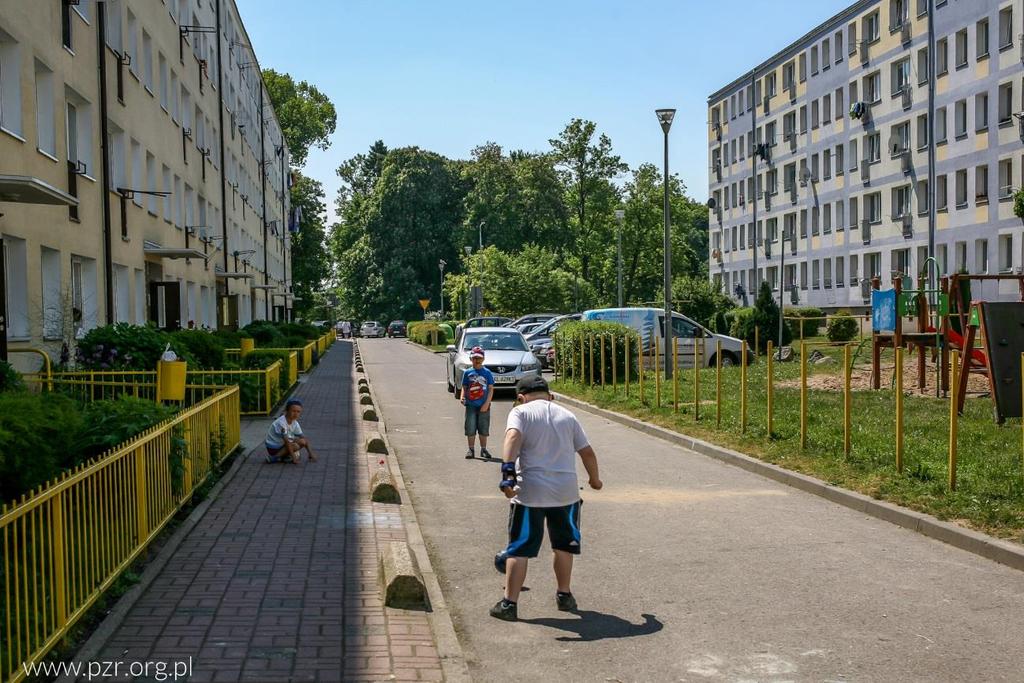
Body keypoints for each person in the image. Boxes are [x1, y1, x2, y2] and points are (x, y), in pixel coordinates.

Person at [490, 375, 602, 622]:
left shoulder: (521, 413)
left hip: (530, 492)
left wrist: (508, 475)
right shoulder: (567, 415)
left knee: (520, 548)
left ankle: (509, 604)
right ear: (550, 395)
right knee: (563, 545)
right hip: (566, 492)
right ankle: (564, 595)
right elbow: (587, 451)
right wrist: (595, 480)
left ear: (521, 397)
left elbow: (512, 437)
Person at [461, 346, 495, 459]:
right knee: (470, 427)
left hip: (484, 405)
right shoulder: (468, 372)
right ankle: (471, 449)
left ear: (483, 359)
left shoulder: (487, 373)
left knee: (483, 427)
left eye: (479, 358)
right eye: (475, 358)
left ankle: (483, 449)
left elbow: (490, 389)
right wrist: (462, 397)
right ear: (471, 359)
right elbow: (464, 387)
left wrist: (487, 403)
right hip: (471, 404)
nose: (477, 360)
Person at [265, 399, 318, 463]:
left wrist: (310, 453)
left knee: (303, 441)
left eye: (298, 412)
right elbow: (287, 442)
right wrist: (294, 458)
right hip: (274, 448)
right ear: (287, 411)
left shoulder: (294, 422)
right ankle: (274, 458)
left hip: (282, 444)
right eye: (293, 411)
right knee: (295, 446)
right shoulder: (281, 423)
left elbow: (303, 437)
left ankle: (285, 456)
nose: (296, 414)